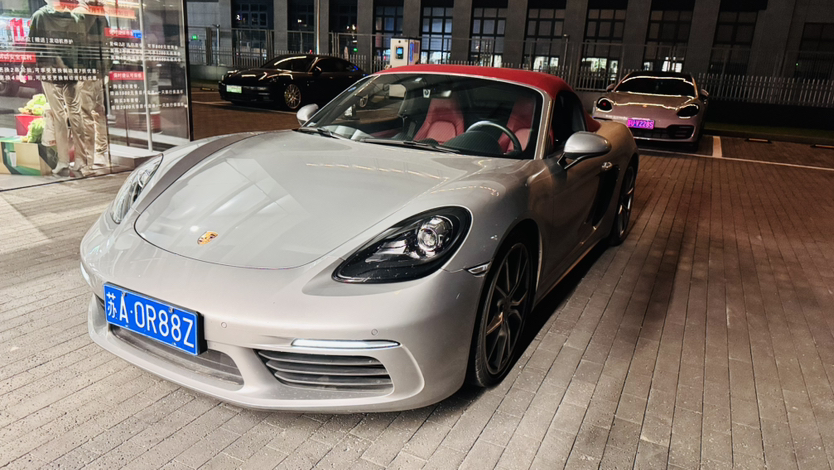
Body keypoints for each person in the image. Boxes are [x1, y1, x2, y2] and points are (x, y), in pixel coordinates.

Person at [28, 0, 91, 176]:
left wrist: (26, 67)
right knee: (75, 114)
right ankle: (81, 159)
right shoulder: (76, 17)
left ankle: (63, 161)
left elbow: (32, 44)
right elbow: (83, 45)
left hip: (50, 72)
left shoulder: (40, 16)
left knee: (59, 116)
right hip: (72, 72)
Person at [74, 0, 110, 171]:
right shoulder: (100, 14)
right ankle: (101, 153)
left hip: (84, 72)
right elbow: (107, 43)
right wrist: (106, 70)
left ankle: (89, 158)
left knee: (86, 115)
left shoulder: (79, 13)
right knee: (98, 112)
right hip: (98, 72)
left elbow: (75, 44)